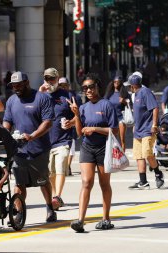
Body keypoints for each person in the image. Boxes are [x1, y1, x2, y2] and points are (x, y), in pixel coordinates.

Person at [3, 71, 57, 222]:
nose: (16, 88)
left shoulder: (41, 98)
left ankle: (49, 208)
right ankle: (18, 214)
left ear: (27, 83)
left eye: (19, 85)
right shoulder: (12, 100)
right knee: (19, 183)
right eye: (13, 86)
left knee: (42, 181)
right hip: (19, 150)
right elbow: (7, 121)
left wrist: (32, 136)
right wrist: (4, 133)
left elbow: (48, 122)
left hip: (39, 149)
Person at [68, 73, 119, 233]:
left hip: (104, 148)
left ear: (97, 87)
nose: (88, 90)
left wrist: (95, 129)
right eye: (85, 88)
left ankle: (106, 219)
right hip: (87, 148)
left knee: (104, 184)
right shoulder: (83, 108)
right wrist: (76, 115)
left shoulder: (107, 105)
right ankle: (80, 221)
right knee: (86, 182)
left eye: (91, 87)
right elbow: (79, 133)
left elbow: (115, 130)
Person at [39, 69, 75, 210]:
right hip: (47, 141)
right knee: (50, 172)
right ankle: (55, 197)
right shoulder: (40, 96)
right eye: (47, 79)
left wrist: (70, 123)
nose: (50, 82)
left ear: (57, 79)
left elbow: (78, 116)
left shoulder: (66, 96)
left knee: (60, 167)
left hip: (63, 139)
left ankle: (57, 196)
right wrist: (40, 93)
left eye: (52, 79)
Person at [123, 73, 165, 190]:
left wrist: (154, 124)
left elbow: (155, 108)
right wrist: (135, 125)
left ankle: (158, 173)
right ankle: (143, 181)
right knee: (139, 155)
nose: (129, 88)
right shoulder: (135, 95)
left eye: (129, 86)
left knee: (147, 153)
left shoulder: (145, 92)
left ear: (133, 86)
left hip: (147, 129)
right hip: (138, 129)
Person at [58, 77, 83, 176]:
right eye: (60, 85)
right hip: (59, 125)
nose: (63, 87)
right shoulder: (55, 96)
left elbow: (80, 111)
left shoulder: (74, 97)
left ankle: (67, 166)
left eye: (65, 85)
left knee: (71, 147)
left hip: (71, 125)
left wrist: (73, 121)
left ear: (68, 85)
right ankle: (64, 167)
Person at [104, 75, 131, 152]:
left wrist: (124, 102)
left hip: (121, 118)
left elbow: (130, 105)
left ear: (121, 83)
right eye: (115, 82)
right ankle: (114, 156)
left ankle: (122, 157)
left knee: (122, 138)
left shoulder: (124, 93)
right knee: (113, 138)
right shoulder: (109, 93)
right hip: (111, 119)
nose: (116, 83)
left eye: (118, 82)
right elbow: (103, 104)